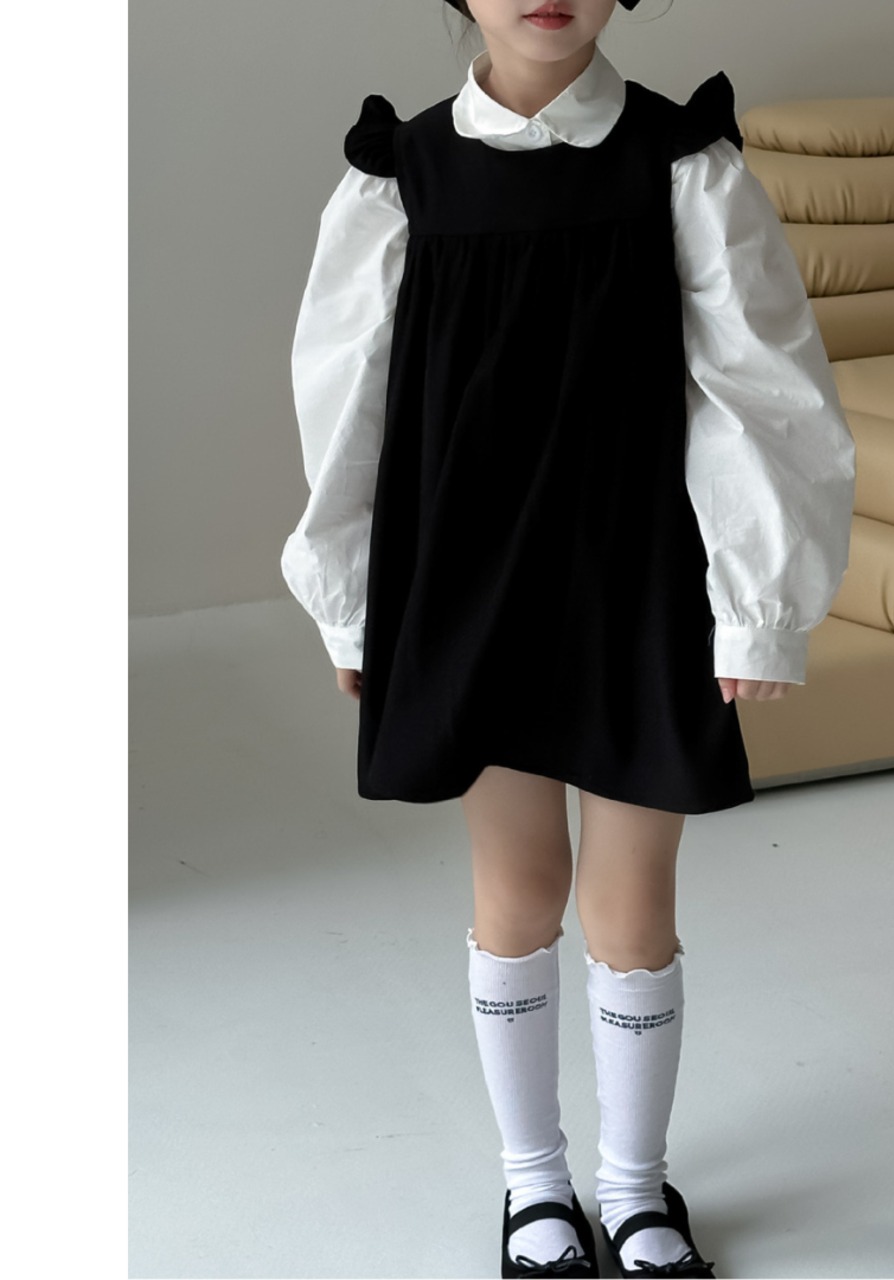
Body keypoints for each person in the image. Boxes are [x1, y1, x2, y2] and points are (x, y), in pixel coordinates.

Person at [280, 1, 856, 1274]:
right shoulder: (398, 178)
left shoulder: (682, 164)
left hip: (637, 579)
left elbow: (757, 384)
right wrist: (349, 595)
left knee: (632, 901)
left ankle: (634, 1186)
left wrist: (757, 600)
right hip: (466, 583)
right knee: (517, 884)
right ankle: (533, 1184)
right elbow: (346, 400)